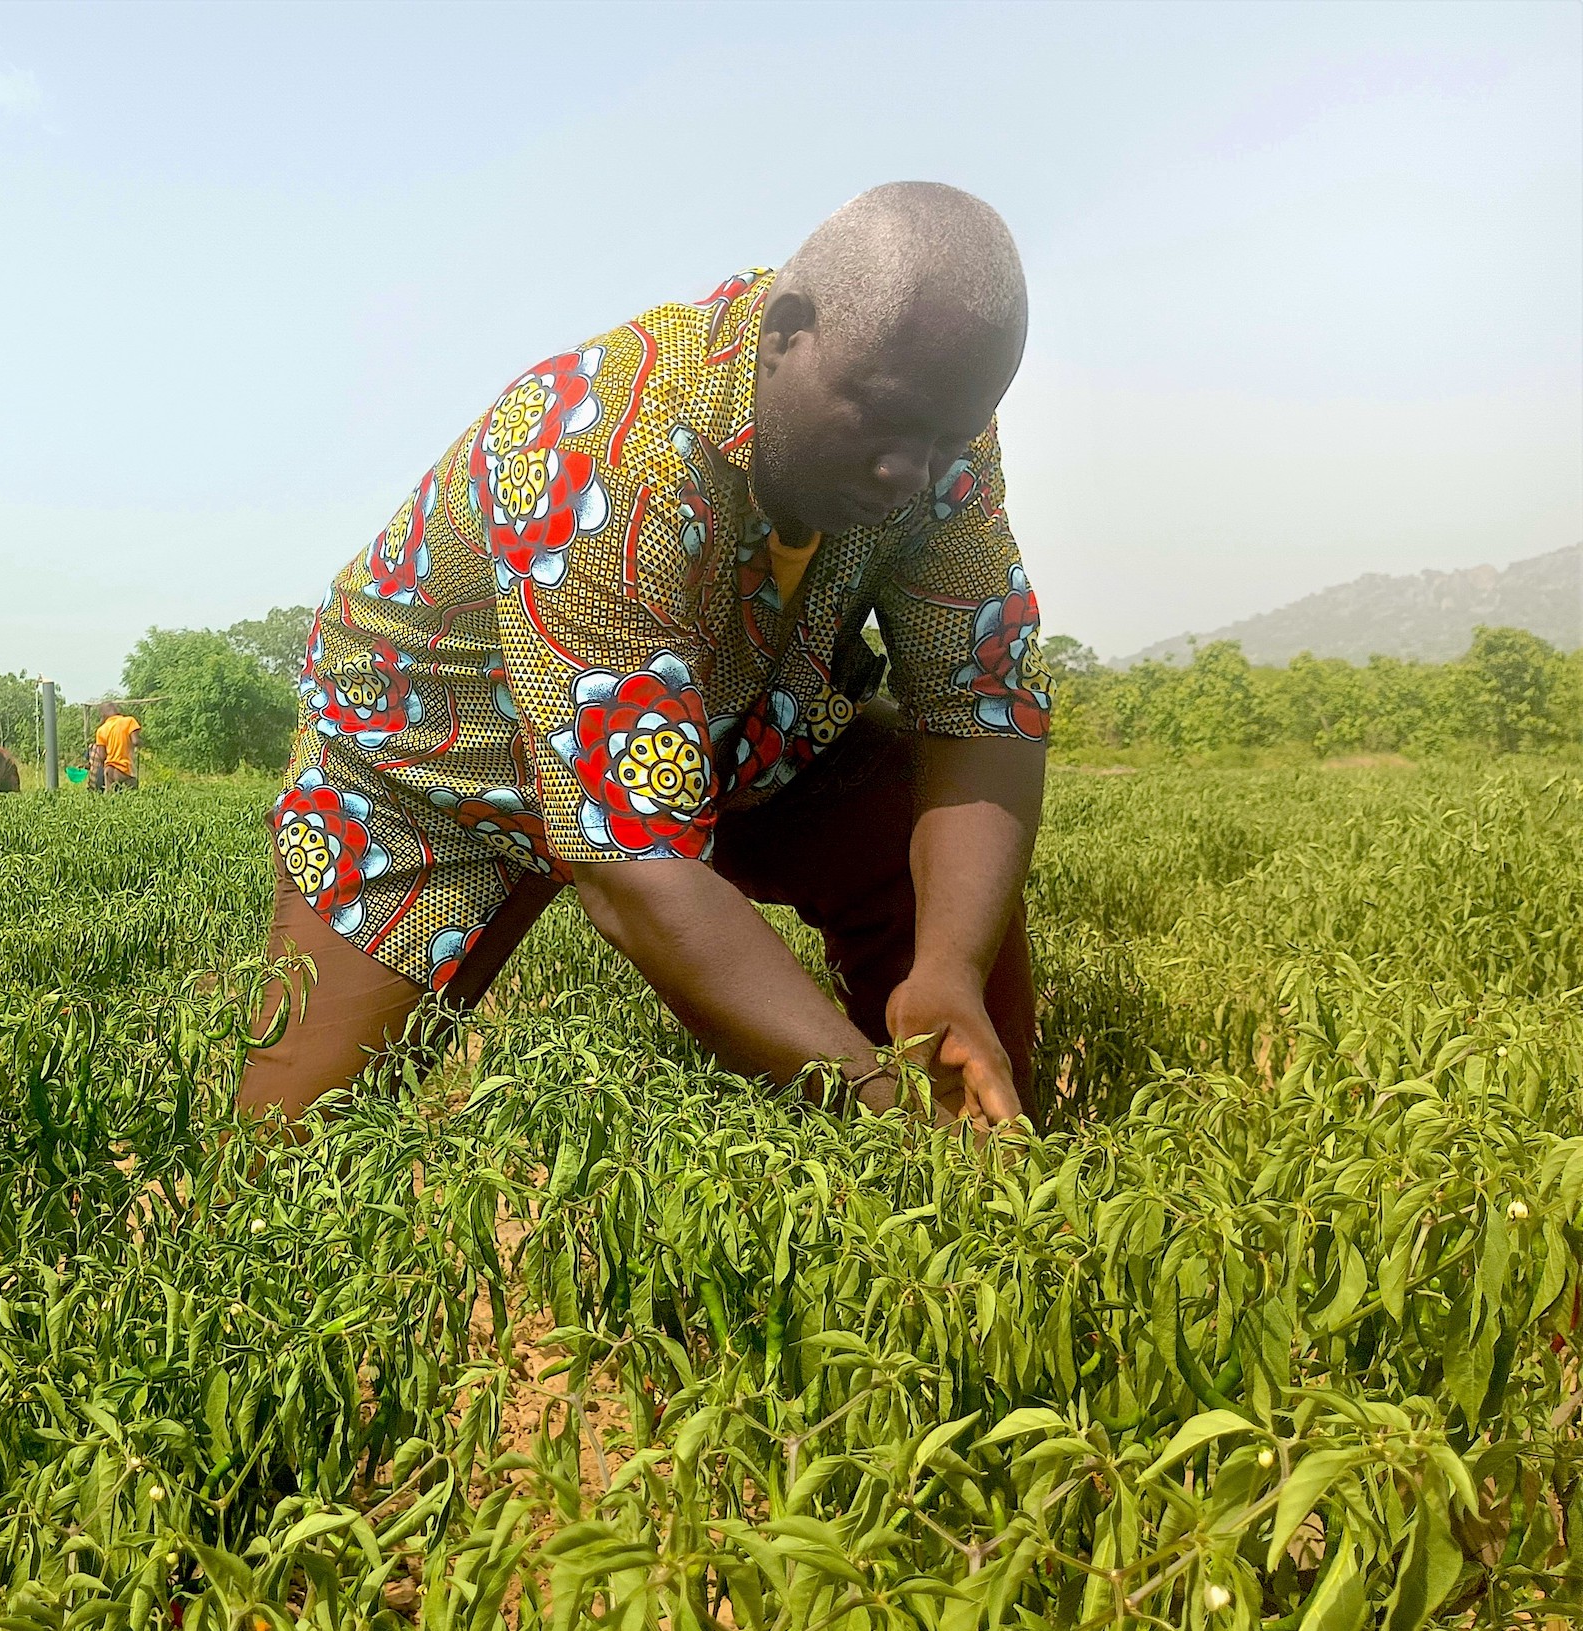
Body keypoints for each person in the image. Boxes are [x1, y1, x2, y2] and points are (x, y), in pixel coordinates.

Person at [240, 182, 1051, 1129]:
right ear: (788, 331)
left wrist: (944, 967)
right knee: (289, 1160)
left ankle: (958, 1189)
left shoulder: (933, 421)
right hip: (440, 764)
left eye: (944, 441)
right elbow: (635, 872)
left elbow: (983, 703)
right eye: (882, 423)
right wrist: (870, 1094)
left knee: (902, 827)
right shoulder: (599, 447)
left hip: (730, 722)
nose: (907, 473)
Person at [91, 703, 143, 792]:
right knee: (131, 799)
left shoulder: (101, 730)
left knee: (111, 801)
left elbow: (102, 756)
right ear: (117, 711)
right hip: (125, 770)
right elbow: (135, 741)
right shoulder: (129, 721)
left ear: (103, 715)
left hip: (109, 770)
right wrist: (141, 743)